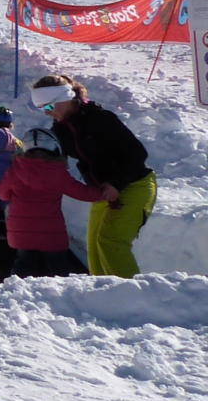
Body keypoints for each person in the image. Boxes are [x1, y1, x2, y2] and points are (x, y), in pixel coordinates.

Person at [33, 74, 156, 277]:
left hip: (134, 184)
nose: (47, 113)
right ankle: (102, 294)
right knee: (94, 244)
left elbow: (137, 154)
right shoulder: (61, 128)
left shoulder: (101, 119)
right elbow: (57, 160)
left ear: (64, 99)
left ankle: (134, 295)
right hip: (102, 190)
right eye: (42, 109)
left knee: (110, 240)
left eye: (48, 107)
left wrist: (116, 184)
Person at [0, 128, 118, 278]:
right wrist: (104, 194)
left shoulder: (15, 171)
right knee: (58, 268)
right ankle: (62, 294)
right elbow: (81, 192)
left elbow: (2, 194)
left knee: (24, 264)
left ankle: (15, 293)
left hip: (20, 231)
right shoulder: (58, 173)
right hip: (51, 232)